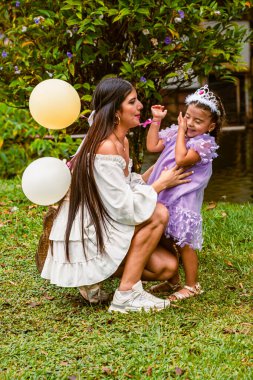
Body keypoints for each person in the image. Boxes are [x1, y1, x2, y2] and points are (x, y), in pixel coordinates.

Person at [41, 77, 192, 313]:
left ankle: (91, 277)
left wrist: (154, 173)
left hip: (105, 220)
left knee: (166, 267)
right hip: (91, 232)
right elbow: (122, 206)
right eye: (132, 102)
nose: (140, 105)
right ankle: (126, 295)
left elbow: (123, 186)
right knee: (159, 212)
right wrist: (159, 185)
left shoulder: (121, 141)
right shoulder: (105, 146)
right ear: (116, 111)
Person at [146, 85, 225, 301]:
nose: (190, 123)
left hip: (182, 202)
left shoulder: (204, 144)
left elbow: (181, 158)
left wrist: (181, 131)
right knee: (164, 238)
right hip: (165, 197)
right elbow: (152, 146)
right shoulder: (175, 133)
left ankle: (192, 285)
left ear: (211, 126)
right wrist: (156, 120)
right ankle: (173, 281)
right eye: (188, 117)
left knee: (184, 243)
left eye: (198, 121)